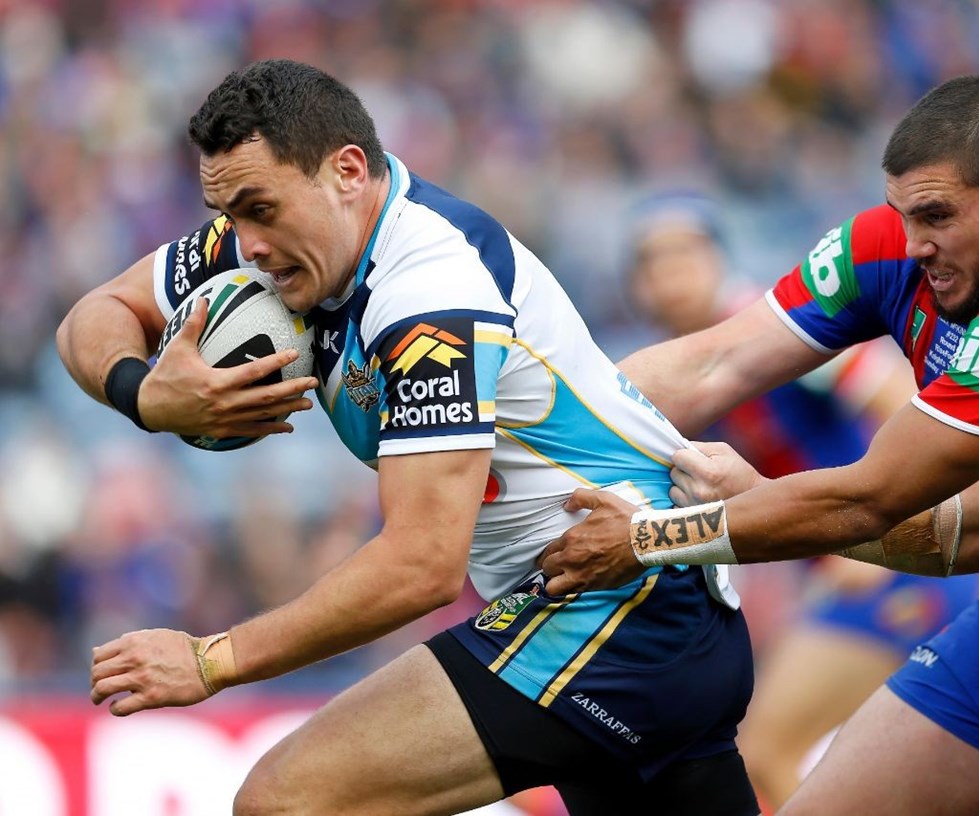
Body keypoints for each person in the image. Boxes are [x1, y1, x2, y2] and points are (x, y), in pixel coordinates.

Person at [56, 59, 760, 816]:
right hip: (635, 615)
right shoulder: (281, 239)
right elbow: (96, 314)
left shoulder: (430, 292)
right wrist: (142, 394)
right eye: (228, 214)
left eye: (260, 209)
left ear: (347, 172)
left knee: (287, 801)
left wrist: (211, 660)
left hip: (623, 610)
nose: (246, 244)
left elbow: (421, 565)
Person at [544, 53, 979, 816]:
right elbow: (713, 362)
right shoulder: (888, 251)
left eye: (936, 217)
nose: (911, 246)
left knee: (768, 747)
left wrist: (686, 528)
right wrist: (528, 425)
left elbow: (972, 523)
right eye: (903, 215)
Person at [624, 189, 979, 808]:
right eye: (652, 261)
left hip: (890, 568)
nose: (671, 273)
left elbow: (903, 402)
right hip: (856, 566)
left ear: (719, 258)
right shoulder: (681, 372)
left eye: (686, 252)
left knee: (766, 752)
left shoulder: (768, 330)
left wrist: (878, 524)